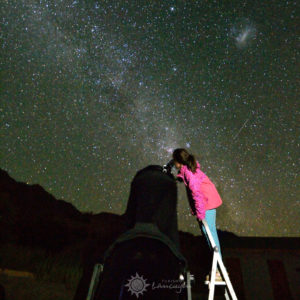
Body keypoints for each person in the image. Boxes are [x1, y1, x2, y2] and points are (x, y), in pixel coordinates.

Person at [172, 148, 223, 279]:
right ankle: (217, 268)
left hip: (207, 203)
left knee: (210, 235)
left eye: (174, 160)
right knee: (208, 235)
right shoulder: (187, 170)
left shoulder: (189, 173)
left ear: (179, 161)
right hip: (206, 202)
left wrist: (200, 214)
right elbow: (185, 176)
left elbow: (197, 194)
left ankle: (219, 270)